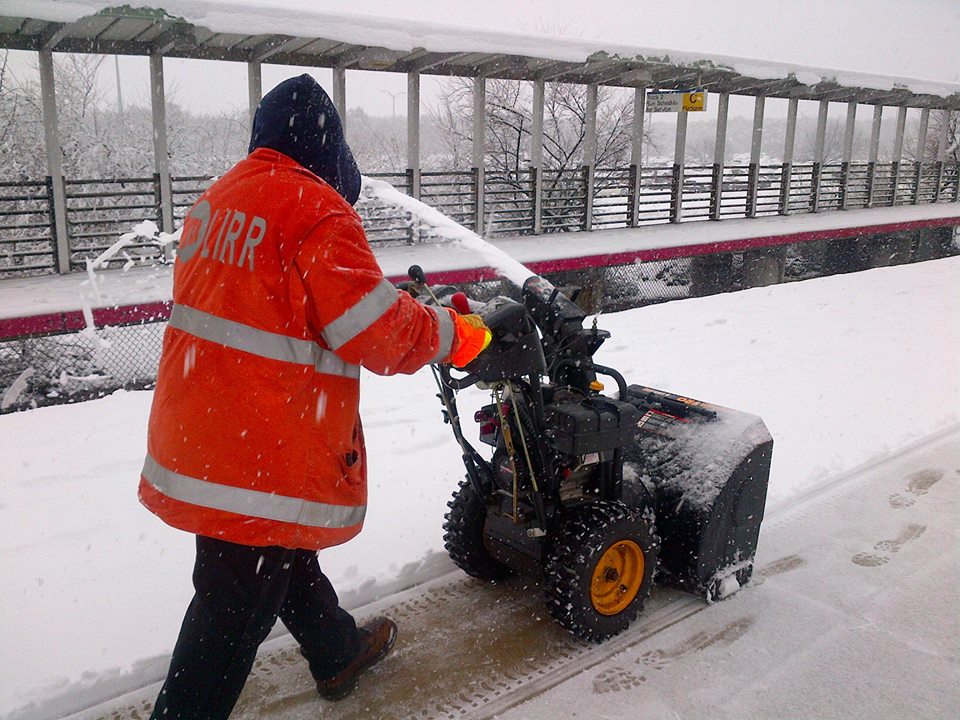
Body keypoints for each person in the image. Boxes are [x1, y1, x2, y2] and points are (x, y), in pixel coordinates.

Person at [139, 74, 491, 719]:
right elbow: (379, 335)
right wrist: (458, 333)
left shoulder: (218, 199)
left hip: (206, 431)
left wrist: (395, 305)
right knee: (229, 614)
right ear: (328, 149)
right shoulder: (315, 209)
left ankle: (336, 651)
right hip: (262, 448)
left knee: (273, 553)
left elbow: (287, 304)